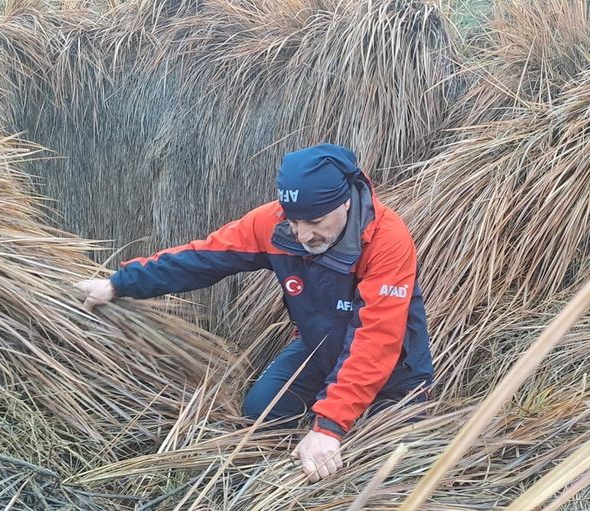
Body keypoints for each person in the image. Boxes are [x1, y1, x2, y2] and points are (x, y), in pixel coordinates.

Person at [75, 143, 434, 482]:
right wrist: (119, 284)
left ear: (345, 202)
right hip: (316, 347)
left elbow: (376, 341)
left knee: (395, 461)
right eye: (294, 221)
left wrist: (328, 427)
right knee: (260, 417)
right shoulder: (273, 224)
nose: (302, 235)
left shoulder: (387, 240)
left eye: (315, 221)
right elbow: (202, 258)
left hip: (395, 369)